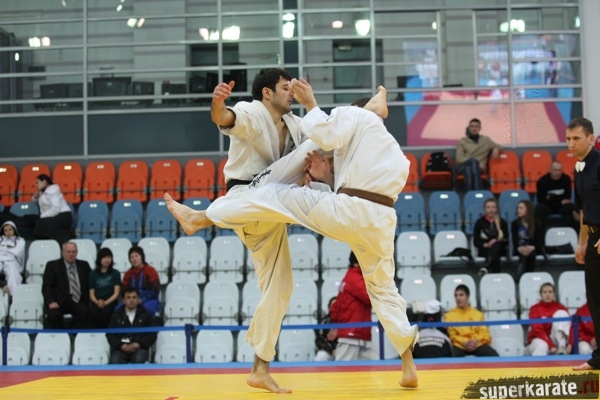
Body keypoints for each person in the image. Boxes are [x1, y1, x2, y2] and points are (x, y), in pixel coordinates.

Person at [165, 82, 420, 389]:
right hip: (382, 220)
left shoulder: (355, 116)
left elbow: (326, 133)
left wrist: (311, 102)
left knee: (274, 194)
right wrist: (327, 177)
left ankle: (201, 218)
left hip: (348, 208)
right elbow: (360, 179)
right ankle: (408, 364)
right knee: (383, 288)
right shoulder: (390, 149)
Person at [204, 68, 321, 393]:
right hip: (246, 195)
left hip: (270, 210)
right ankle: (201, 217)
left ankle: (260, 367)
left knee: (281, 287)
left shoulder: (294, 124)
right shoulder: (252, 111)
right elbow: (225, 118)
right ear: (267, 93)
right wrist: (218, 103)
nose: (291, 93)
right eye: (285, 88)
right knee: (312, 145)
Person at [569, 117, 600, 371]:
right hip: (592, 237)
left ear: (591, 138)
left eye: (576, 138)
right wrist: (582, 242)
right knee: (595, 299)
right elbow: (583, 210)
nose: (571, 144)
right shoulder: (578, 168)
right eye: (568, 139)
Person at [328, 252, 378, 361]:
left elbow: (335, 308)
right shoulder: (355, 277)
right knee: (343, 370)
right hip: (351, 336)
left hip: (359, 336)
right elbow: (370, 298)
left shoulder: (349, 277)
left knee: (376, 368)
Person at [42, 241, 91, 329]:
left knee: (85, 311)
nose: (71, 254)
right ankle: (62, 334)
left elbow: (90, 283)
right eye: (68, 252)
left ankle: (70, 332)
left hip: (77, 301)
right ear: (63, 253)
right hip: (59, 301)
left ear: (77, 253)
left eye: (73, 252)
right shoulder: (53, 266)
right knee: (53, 315)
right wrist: (51, 301)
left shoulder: (84, 265)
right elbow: (47, 286)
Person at [444, 284, 499, 357]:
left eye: (461, 295)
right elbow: (452, 336)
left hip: (477, 343)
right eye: (456, 295)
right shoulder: (449, 316)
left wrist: (475, 341)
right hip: (459, 345)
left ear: (468, 297)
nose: (458, 298)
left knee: (494, 356)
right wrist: (464, 342)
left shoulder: (478, 314)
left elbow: (485, 334)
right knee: (451, 358)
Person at [106, 287, 157, 364]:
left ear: (138, 299)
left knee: (138, 359)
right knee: (115, 360)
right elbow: (110, 335)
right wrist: (121, 346)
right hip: (120, 349)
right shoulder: (116, 316)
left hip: (140, 348)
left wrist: (139, 344)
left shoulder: (146, 315)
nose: (131, 300)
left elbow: (152, 335)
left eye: (134, 297)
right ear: (123, 300)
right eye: (128, 297)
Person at [455, 118, 502, 191]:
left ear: (480, 128)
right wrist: (476, 163)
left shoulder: (486, 140)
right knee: (473, 162)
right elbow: (459, 158)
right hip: (463, 166)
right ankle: (478, 192)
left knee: (468, 169)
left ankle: (470, 194)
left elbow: (498, 146)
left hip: (476, 168)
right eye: (472, 126)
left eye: (476, 126)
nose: (474, 128)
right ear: (469, 128)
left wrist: (496, 149)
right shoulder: (463, 141)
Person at [526, 282, 570, 356]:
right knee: (542, 346)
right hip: (539, 339)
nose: (548, 294)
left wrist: (571, 344)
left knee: (561, 313)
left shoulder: (561, 308)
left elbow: (570, 327)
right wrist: (551, 345)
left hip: (555, 339)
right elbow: (538, 330)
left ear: (554, 294)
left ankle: (561, 348)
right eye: (545, 292)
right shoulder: (535, 309)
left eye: (550, 292)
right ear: (541, 294)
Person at [535, 161, 579, 231]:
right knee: (539, 209)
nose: (558, 173)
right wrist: (560, 202)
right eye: (555, 170)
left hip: (561, 207)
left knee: (573, 208)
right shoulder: (542, 181)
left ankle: (575, 233)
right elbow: (541, 200)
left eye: (559, 170)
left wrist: (550, 199)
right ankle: (541, 235)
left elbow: (567, 198)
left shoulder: (566, 179)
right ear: (550, 170)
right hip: (548, 207)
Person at [32, 174, 73, 245]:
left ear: (44, 182)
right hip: (53, 216)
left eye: (37, 182)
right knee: (32, 220)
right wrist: (35, 198)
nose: (36, 185)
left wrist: (42, 217)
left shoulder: (53, 192)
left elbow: (56, 209)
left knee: (42, 223)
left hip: (63, 216)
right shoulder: (43, 193)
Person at [121, 246, 161, 317]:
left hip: (148, 299)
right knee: (118, 309)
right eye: (132, 257)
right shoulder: (128, 273)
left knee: (147, 309)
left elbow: (155, 290)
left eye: (136, 256)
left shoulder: (150, 270)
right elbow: (123, 291)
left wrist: (142, 300)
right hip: (131, 299)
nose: (134, 259)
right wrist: (131, 300)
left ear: (142, 257)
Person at [473, 198, 509, 275]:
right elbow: (476, 242)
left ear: (497, 209)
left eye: (493, 207)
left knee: (496, 246)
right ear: (484, 209)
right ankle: (496, 276)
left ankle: (486, 266)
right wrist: (486, 244)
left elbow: (506, 240)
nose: (491, 210)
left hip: (500, 249)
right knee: (495, 256)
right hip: (485, 250)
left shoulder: (502, 222)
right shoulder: (480, 223)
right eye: (488, 207)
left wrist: (496, 241)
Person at [89, 247, 121, 329]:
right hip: (97, 301)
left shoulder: (116, 273)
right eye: (104, 257)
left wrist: (105, 303)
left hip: (111, 301)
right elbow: (91, 294)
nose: (107, 260)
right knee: (93, 312)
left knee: (107, 312)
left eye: (109, 257)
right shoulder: (92, 274)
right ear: (99, 259)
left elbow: (116, 293)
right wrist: (97, 302)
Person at [510, 200, 544, 280]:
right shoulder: (515, 224)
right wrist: (519, 248)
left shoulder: (537, 223)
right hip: (519, 250)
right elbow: (515, 241)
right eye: (518, 208)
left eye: (521, 208)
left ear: (528, 210)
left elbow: (539, 241)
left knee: (530, 254)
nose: (518, 210)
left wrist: (531, 247)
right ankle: (528, 277)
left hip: (534, 249)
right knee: (525, 253)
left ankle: (519, 275)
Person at [0, 221, 25, 296]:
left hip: (12, 261)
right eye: (6, 230)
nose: (8, 232)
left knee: (13, 271)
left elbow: (18, 252)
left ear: (14, 230)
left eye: (10, 230)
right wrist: (9, 249)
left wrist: (3, 249)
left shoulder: (20, 240)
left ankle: (13, 295)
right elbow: (14, 250)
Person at [314, 296, 337, 362]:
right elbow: (319, 340)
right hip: (329, 350)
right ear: (329, 308)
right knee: (320, 356)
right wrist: (332, 350)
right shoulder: (324, 322)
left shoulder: (348, 321)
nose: (336, 308)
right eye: (333, 305)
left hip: (344, 349)